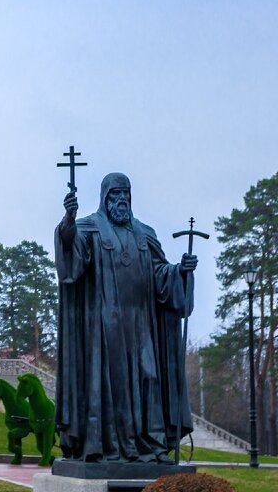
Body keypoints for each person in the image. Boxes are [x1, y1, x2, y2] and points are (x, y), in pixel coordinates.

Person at [54, 172, 195, 463]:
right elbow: (72, 260)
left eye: (124, 195)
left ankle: (152, 445)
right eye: (114, 195)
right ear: (105, 198)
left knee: (150, 379)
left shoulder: (145, 233)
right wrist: (68, 222)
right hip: (106, 328)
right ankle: (109, 448)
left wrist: (180, 271)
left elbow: (160, 276)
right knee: (112, 386)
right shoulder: (90, 228)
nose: (120, 200)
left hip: (143, 325)